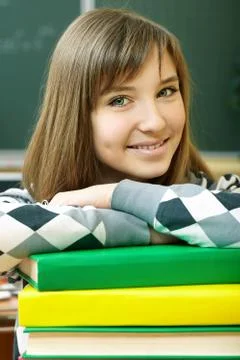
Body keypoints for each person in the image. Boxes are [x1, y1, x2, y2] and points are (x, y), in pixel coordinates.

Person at [0, 8, 239, 359]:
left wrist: (115, 195)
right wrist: (159, 230)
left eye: (167, 91)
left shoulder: (221, 195)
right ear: (76, 116)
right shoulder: (32, 205)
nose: (155, 121)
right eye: (119, 100)